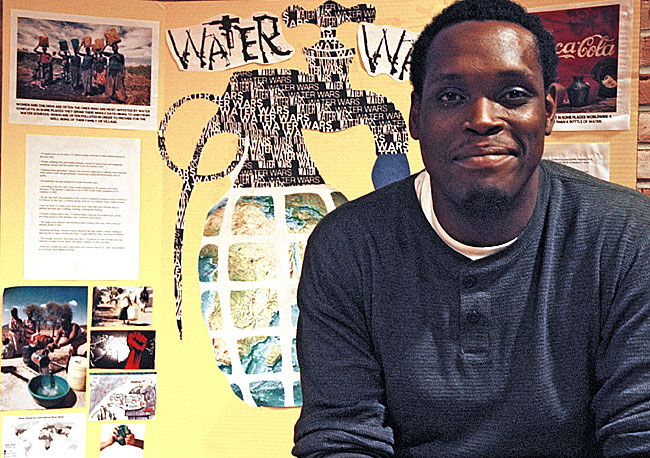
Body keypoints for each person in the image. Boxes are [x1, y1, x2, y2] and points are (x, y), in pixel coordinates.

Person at [292, 0, 650, 456]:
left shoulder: (626, 237)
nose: (482, 119)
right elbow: (342, 435)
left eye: (513, 95)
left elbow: (639, 428)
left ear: (550, 110)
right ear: (416, 116)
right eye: (450, 97)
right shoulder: (347, 246)